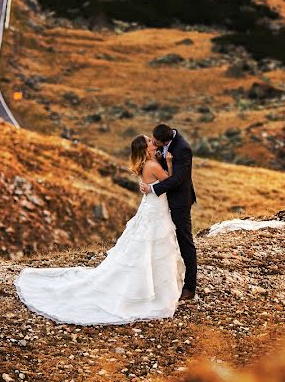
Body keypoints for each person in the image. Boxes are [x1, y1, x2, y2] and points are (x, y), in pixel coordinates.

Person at [14, 135, 185, 325]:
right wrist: (169, 163)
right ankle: (150, 291)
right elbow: (170, 183)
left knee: (146, 248)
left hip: (151, 209)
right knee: (153, 247)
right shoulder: (153, 166)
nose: (155, 143)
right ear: (146, 150)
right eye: (151, 142)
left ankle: (149, 286)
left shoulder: (148, 163)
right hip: (155, 211)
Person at [140, 124, 197, 301]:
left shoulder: (183, 149)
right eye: (152, 141)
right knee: (162, 240)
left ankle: (190, 287)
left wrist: (152, 189)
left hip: (179, 201)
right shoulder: (161, 143)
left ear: (166, 141)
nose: (154, 145)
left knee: (184, 240)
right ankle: (162, 282)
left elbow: (178, 180)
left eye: (156, 143)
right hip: (163, 203)